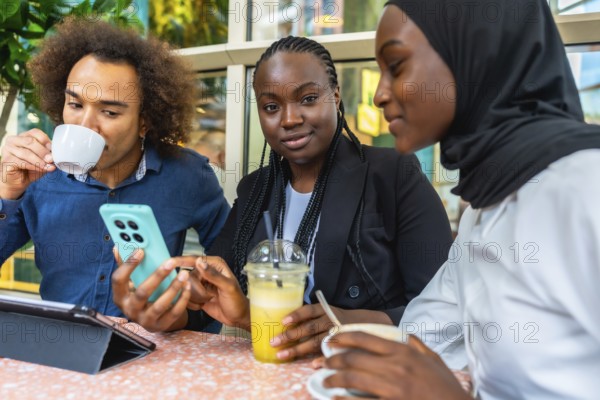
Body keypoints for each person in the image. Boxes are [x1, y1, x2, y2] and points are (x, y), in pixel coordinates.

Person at [319, 0, 600, 398]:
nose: (380, 94)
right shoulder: (485, 207)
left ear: (475, 51)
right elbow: (423, 335)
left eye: (396, 65)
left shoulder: (585, 186)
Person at [113, 35, 453, 355]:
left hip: (371, 374)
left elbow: (446, 310)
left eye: (307, 99)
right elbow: (211, 304)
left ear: (335, 96)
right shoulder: (255, 190)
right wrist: (172, 310)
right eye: (271, 107)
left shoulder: (393, 174)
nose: (289, 119)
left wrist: (352, 322)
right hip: (276, 374)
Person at [0, 17, 229, 331]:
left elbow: (235, 272)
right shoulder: (37, 177)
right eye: (75, 104)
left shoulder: (188, 174)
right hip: (61, 354)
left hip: (152, 357)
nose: (84, 125)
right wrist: (6, 194)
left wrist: (188, 314)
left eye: (109, 112)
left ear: (145, 120)